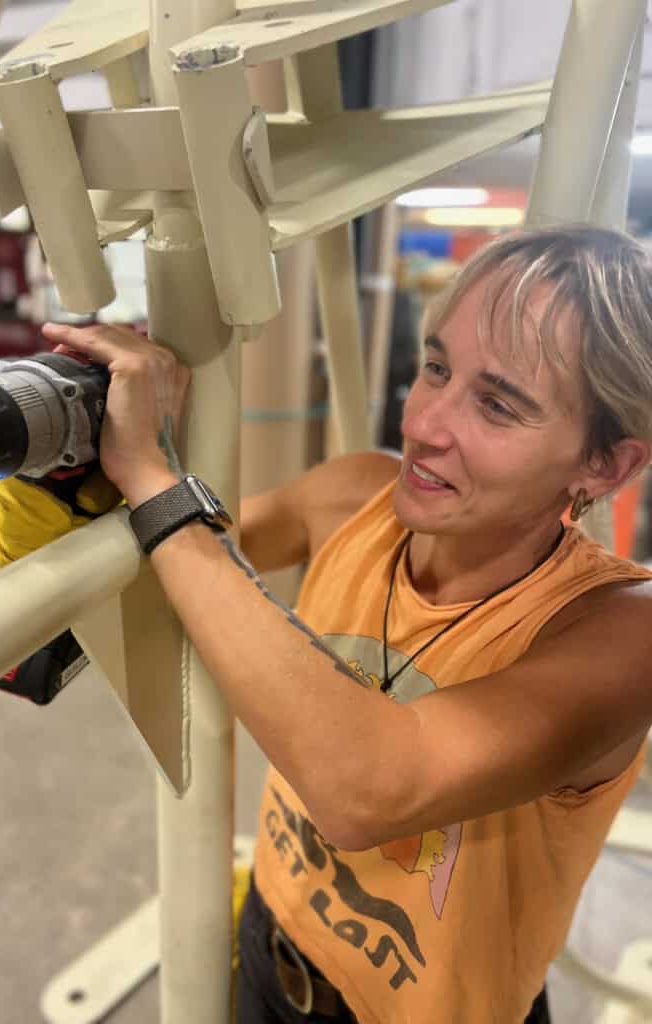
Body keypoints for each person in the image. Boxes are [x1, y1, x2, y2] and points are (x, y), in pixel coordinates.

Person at [41, 226, 652, 1023]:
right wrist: (89, 448)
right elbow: (174, 571)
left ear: (604, 466)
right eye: (436, 367)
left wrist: (152, 478)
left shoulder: (619, 633)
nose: (425, 423)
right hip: (270, 944)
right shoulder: (352, 496)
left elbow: (369, 791)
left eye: (497, 405)